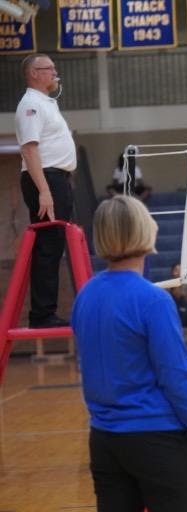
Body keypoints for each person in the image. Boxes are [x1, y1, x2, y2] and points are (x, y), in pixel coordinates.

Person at [71, 196, 187, 512]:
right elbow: (177, 378)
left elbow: (90, 370)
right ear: (141, 231)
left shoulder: (86, 295)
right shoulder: (152, 299)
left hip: (106, 441)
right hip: (158, 441)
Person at [16, 54, 76, 328]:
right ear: (34, 74)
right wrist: (45, 190)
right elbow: (29, 149)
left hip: (56, 178)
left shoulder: (46, 103)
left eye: (54, 67)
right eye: (49, 69)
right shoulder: (30, 105)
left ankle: (45, 312)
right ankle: (42, 315)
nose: (55, 72)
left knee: (54, 244)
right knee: (48, 245)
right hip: (46, 179)